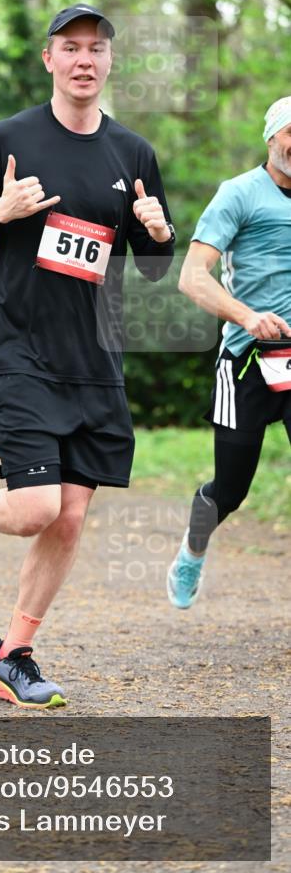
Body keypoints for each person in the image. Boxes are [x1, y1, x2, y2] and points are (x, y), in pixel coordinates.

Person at [0, 4, 175, 709]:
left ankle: (12, 655)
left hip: (94, 358)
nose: (83, 60)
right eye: (70, 47)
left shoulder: (131, 153)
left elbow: (152, 269)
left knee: (68, 518)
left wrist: (156, 234)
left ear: (108, 62)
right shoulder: (10, 138)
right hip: (22, 348)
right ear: (49, 59)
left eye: (95, 48)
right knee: (35, 507)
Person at [167, 97, 291, 609]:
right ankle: (194, 548)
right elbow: (191, 277)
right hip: (246, 362)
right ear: (272, 137)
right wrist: (246, 316)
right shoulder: (240, 194)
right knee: (230, 489)